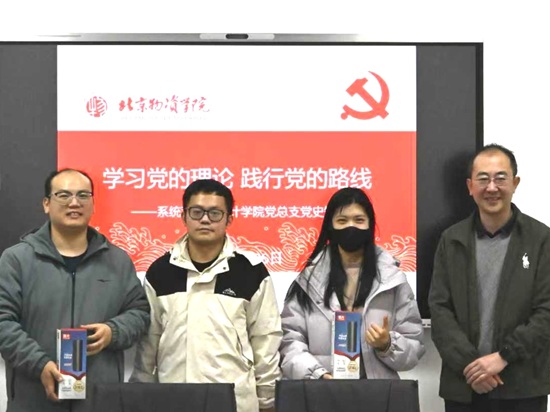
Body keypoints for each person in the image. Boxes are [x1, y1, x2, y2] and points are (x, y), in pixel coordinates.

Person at [0, 168, 150, 412]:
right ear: (46, 204)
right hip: (34, 397)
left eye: (83, 195)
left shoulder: (117, 261)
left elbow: (140, 313)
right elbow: (3, 322)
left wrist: (113, 332)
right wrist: (39, 364)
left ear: (93, 204)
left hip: (100, 400)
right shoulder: (17, 260)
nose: (74, 203)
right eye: (63, 195)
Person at [130, 179, 282, 412]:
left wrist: (267, 399)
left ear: (229, 219)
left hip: (235, 400)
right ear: (184, 216)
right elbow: (149, 343)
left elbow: (265, 338)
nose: (205, 219)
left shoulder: (250, 271)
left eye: (215, 213)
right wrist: (142, 393)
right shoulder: (161, 271)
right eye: (197, 212)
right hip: (174, 398)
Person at [429, 143, 550, 411]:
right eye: (483, 179)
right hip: (465, 386)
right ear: (470, 186)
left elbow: (546, 312)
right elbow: (439, 310)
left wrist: (504, 357)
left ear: (515, 183)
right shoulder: (452, 240)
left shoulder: (541, 239)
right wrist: (472, 366)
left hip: (522, 388)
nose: (492, 187)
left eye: (500, 178)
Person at [279, 187, 425, 380]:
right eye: (342, 221)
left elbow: (414, 345)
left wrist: (388, 344)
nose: (351, 227)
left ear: (370, 225)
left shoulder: (392, 280)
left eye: (359, 220)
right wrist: (317, 374)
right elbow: (289, 342)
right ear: (330, 226)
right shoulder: (308, 281)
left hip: (376, 393)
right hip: (322, 390)